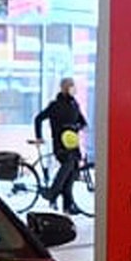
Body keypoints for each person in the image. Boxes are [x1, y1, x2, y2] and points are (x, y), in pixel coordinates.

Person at [34, 77, 89, 215]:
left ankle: (68, 205)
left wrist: (76, 126)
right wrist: (39, 137)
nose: (73, 88)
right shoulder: (55, 105)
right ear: (63, 88)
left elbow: (83, 122)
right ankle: (52, 192)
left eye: (73, 85)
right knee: (68, 165)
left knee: (71, 174)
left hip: (73, 144)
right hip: (60, 144)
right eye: (70, 85)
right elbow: (38, 118)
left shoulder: (74, 104)